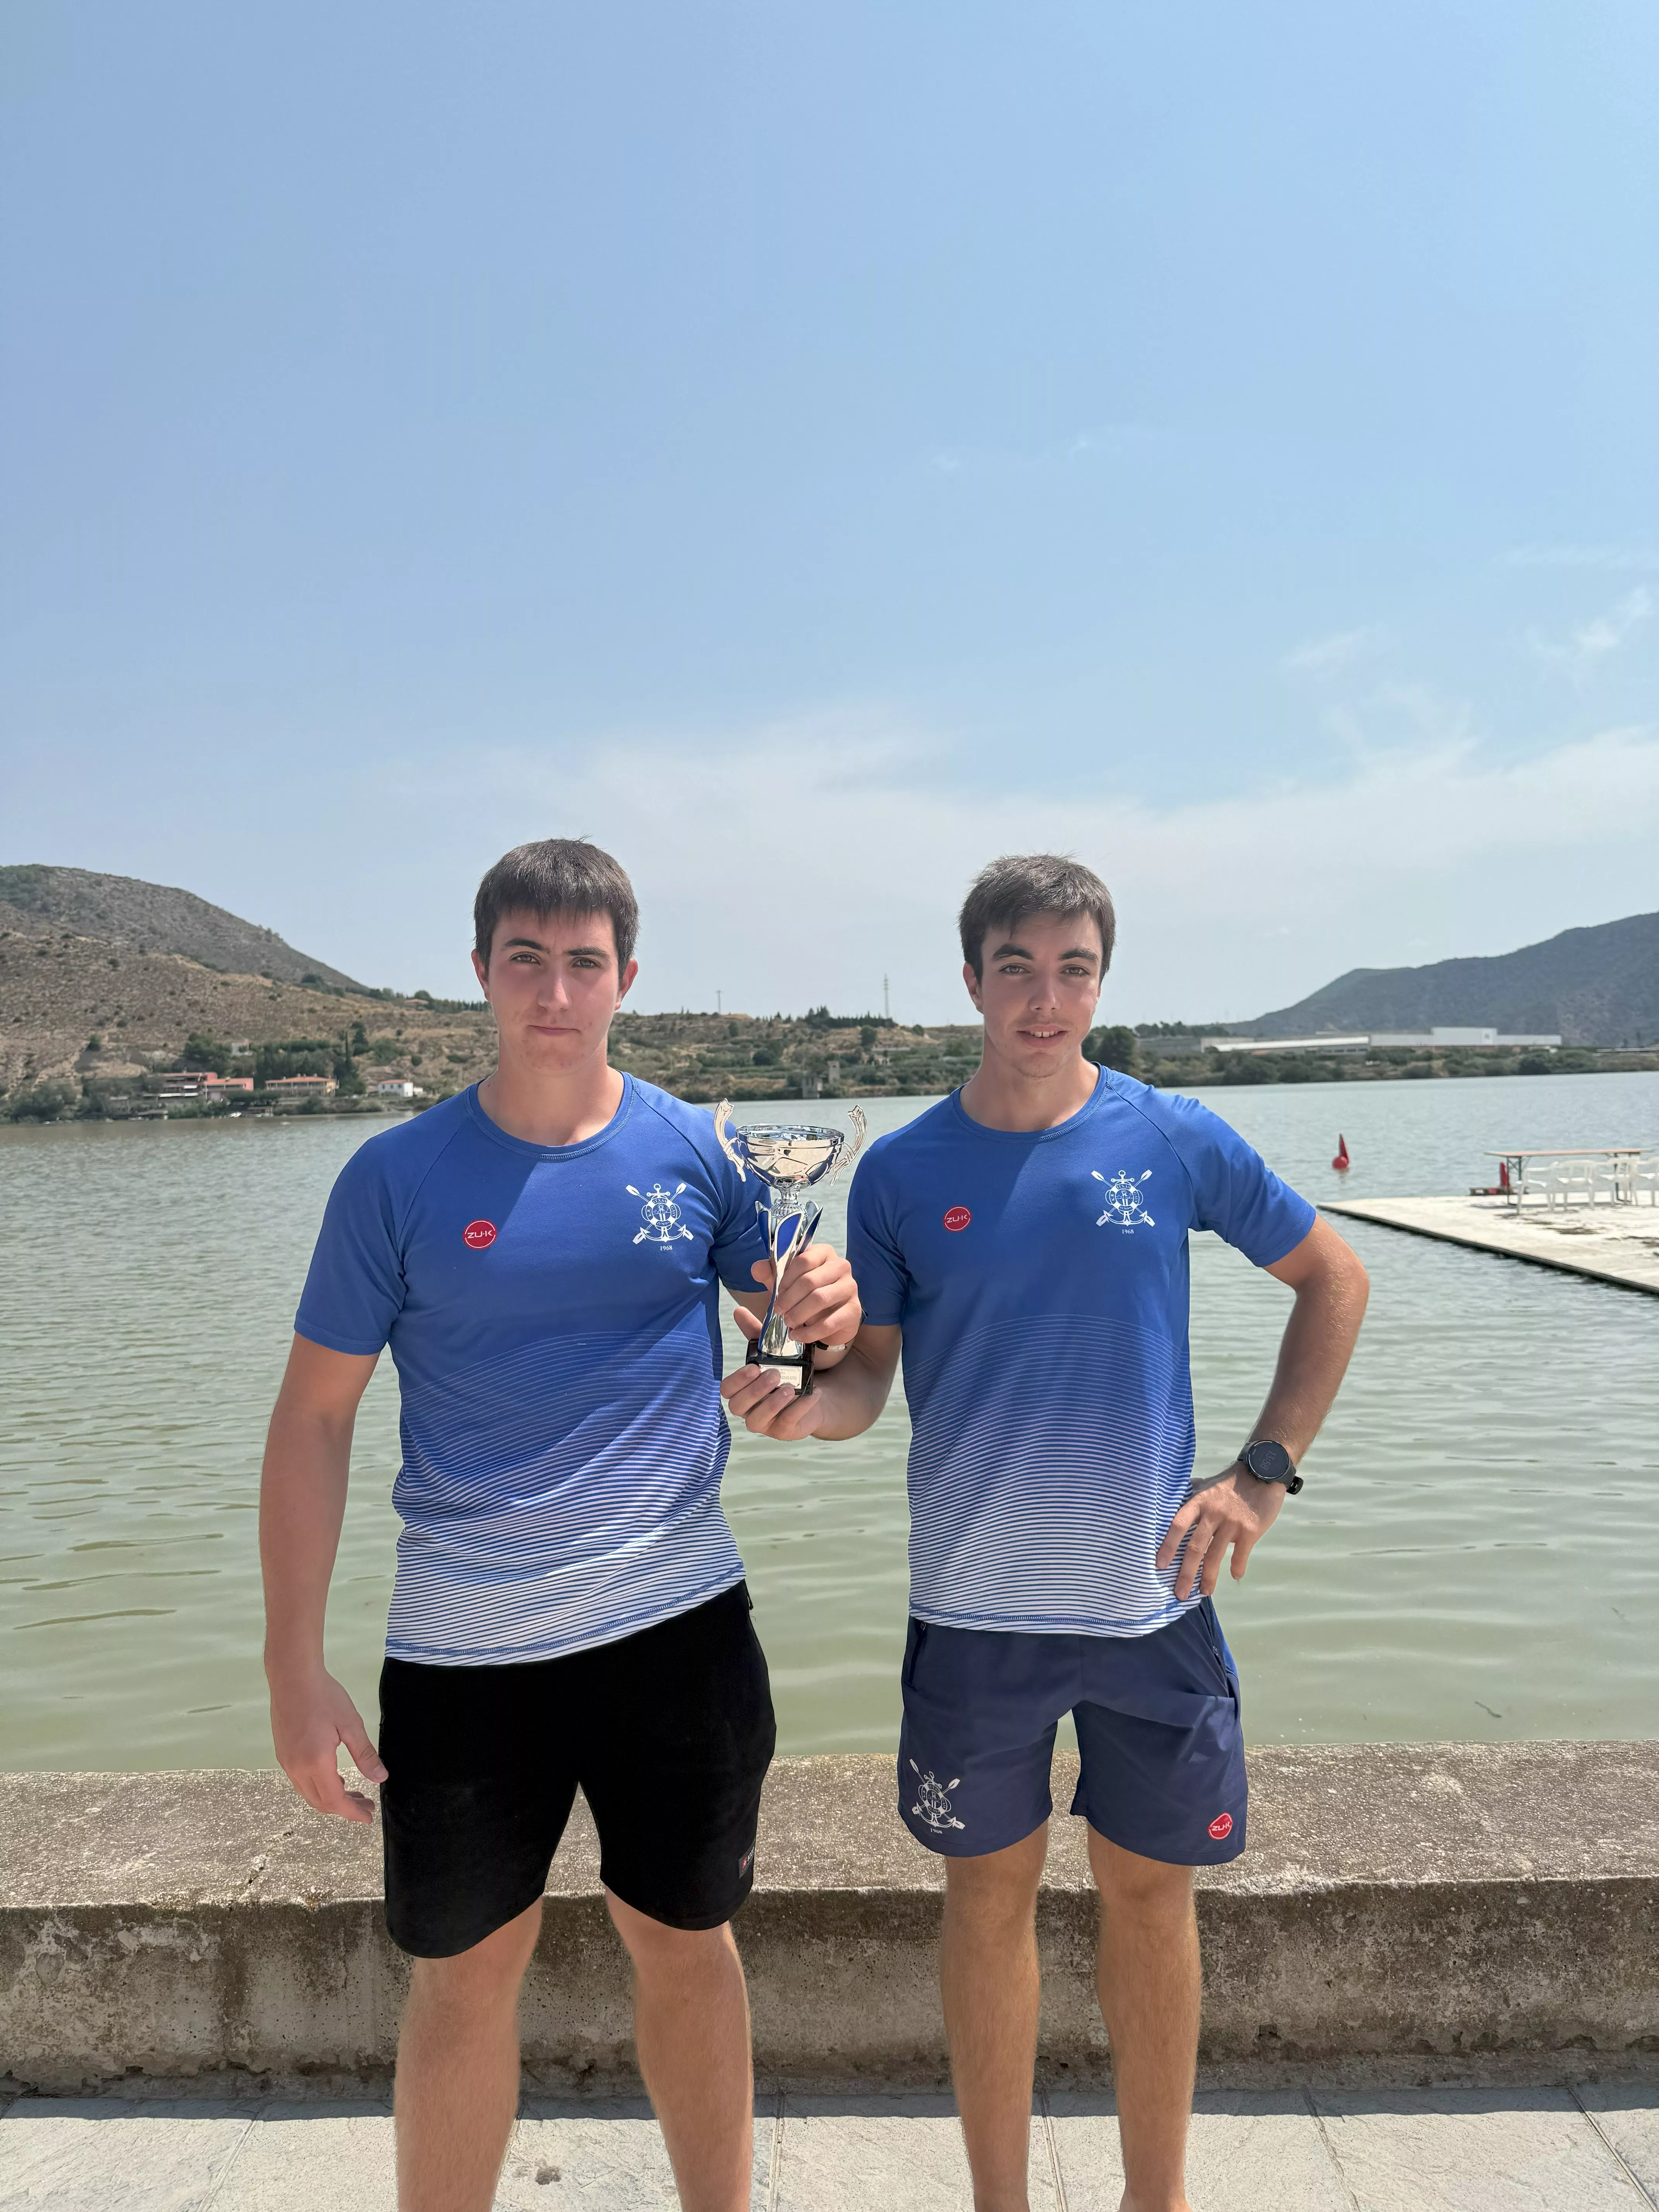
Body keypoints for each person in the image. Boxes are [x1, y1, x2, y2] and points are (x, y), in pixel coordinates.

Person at [723, 852, 1369, 2212]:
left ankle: (1157, 2200)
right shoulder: (900, 1172)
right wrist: (796, 1411)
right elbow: (863, 1386)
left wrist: (1260, 1474)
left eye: (1073, 968)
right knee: (986, 1906)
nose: (1043, 996)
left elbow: (1335, 1277)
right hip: (974, 1615)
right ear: (971, 980)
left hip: (1154, 1606)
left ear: (1102, 982)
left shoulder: (1173, 1136)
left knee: (1149, 1903)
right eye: (1016, 966)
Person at [259, 838, 861, 2212]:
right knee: (464, 1978)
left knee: (686, 1945)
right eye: (524, 958)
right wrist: (294, 1665)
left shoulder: (707, 1152)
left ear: (626, 979)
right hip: (465, 1654)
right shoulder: (393, 1179)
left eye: (582, 962)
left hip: (678, 1627)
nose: (552, 990)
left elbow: (799, 1329)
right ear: (479, 972)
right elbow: (311, 1421)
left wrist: (817, 1316)